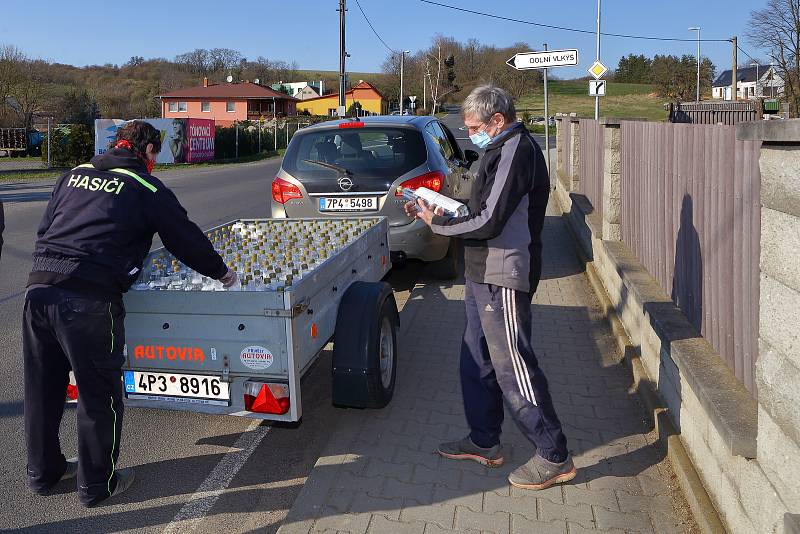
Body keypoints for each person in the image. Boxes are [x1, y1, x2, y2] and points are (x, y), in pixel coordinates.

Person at [23, 120, 237, 507]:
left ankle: (43, 474)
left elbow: (46, 229)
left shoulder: (73, 175)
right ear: (148, 152)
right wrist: (221, 272)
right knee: (99, 395)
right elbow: (184, 238)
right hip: (88, 302)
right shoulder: (146, 187)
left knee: (43, 389)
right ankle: (97, 485)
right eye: (156, 154)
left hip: (39, 290)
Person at [405, 85, 575, 490]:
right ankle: (484, 440)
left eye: (474, 127)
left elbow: (489, 222)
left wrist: (437, 224)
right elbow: (477, 209)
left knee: (512, 365)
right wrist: (438, 207)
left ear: (497, 120)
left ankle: (554, 454)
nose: (471, 134)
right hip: (481, 272)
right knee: (476, 359)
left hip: (505, 274)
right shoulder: (495, 150)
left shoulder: (517, 149)